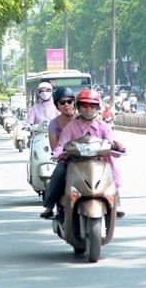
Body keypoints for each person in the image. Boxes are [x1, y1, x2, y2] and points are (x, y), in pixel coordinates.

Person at [40, 89, 126, 219]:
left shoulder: (103, 126)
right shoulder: (70, 126)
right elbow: (60, 145)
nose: (88, 109)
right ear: (79, 107)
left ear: (97, 108)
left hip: (99, 161)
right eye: (85, 106)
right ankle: (49, 206)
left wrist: (117, 146)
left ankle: (116, 202)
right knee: (59, 171)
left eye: (92, 106)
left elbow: (111, 142)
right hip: (74, 162)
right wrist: (59, 153)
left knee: (110, 166)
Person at [48, 87, 77, 151]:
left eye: (69, 101)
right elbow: (55, 150)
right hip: (65, 159)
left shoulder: (83, 119)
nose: (66, 105)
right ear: (57, 105)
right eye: (62, 102)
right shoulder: (54, 124)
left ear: (73, 103)